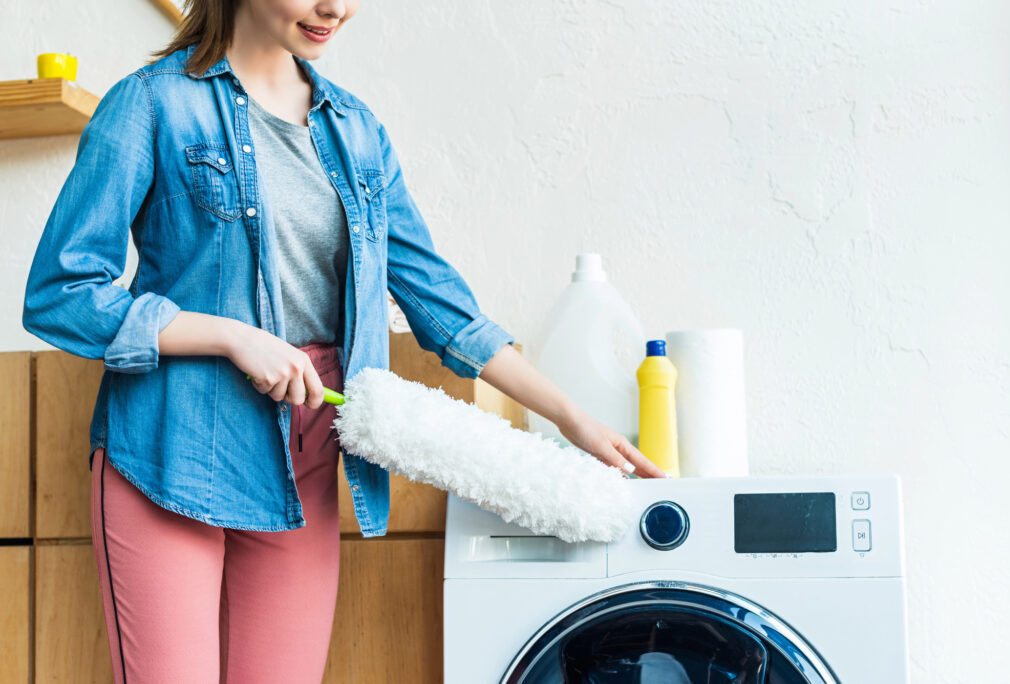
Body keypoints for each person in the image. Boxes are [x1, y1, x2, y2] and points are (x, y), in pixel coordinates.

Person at [21, 0, 668, 681]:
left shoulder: (357, 134)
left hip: (304, 465)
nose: (337, 7)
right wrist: (231, 337)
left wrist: (573, 420)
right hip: (170, 452)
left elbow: (443, 306)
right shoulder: (152, 104)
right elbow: (61, 293)